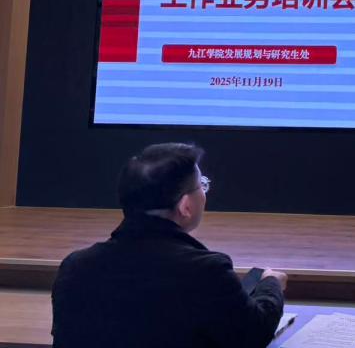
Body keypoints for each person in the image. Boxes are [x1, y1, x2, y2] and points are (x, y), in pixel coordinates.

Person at [51, 143, 287, 348]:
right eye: (202, 185)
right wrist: (271, 284)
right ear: (185, 206)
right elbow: (254, 334)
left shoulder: (74, 266)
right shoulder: (207, 271)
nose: (205, 192)